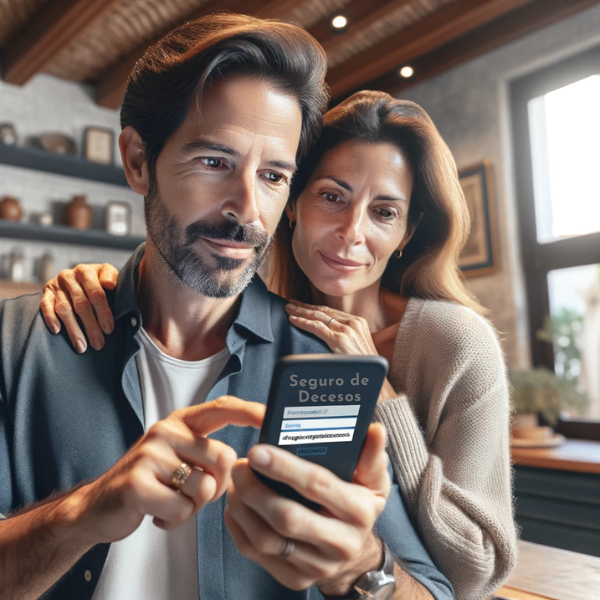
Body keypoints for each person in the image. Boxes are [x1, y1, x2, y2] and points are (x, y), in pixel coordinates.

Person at [0, 13, 453, 600]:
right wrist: (85, 511)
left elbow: (434, 592)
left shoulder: (324, 370)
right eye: (214, 161)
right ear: (139, 161)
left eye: (272, 176)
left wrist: (361, 568)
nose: (249, 209)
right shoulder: (21, 343)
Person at [46, 90, 518, 599]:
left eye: (384, 212)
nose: (350, 233)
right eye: (332, 197)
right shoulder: (271, 321)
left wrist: (383, 401)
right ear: (292, 202)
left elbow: (476, 568)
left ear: (406, 232)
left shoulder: (456, 342)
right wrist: (108, 284)